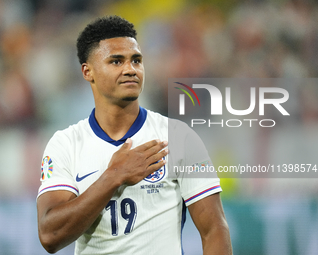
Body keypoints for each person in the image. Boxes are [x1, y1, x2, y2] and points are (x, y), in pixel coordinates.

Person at [37, 15, 232, 255]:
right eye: (116, 61)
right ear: (88, 72)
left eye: (136, 60)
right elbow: (50, 236)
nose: (130, 69)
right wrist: (114, 176)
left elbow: (214, 230)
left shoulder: (179, 137)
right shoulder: (65, 144)